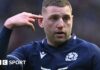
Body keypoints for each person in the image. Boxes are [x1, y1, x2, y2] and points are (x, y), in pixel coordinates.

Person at [0, 0, 100, 70]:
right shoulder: (29, 54)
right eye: (54, 18)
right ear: (41, 22)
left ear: (72, 20)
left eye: (66, 18)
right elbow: (2, 64)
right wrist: (7, 27)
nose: (61, 25)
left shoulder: (91, 53)